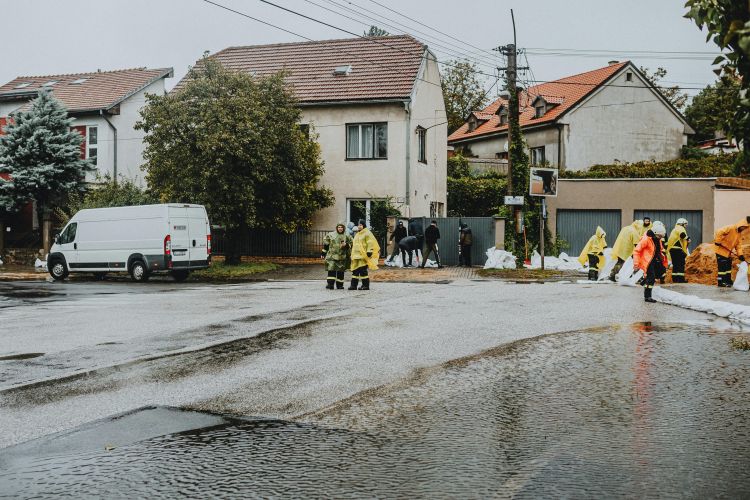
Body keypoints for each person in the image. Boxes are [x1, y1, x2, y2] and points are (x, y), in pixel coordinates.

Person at [633, 226, 668, 303]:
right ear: (655, 233)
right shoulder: (646, 239)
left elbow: (660, 248)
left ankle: (644, 281)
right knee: (651, 277)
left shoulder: (657, 239)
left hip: (655, 259)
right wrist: (636, 263)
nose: (660, 238)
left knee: (662, 271)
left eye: (661, 237)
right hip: (648, 261)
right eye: (659, 236)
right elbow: (636, 251)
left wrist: (662, 254)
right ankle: (647, 296)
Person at [713, 216, 750, 287]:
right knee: (721, 269)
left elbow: (738, 246)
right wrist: (718, 241)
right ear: (741, 225)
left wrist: (740, 255)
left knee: (728, 268)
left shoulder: (739, 235)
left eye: (746, 228)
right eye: (744, 227)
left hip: (728, 253)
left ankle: (728, 281)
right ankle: (720, 282)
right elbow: (719, 231)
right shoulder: (731, 228)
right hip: (720, 251)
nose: (744, 229)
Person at [349, 219, 380, 290]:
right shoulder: (357, 234)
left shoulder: (367, 233)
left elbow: (370, 243)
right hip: (356, 256)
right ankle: (353, 286)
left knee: (363, 271)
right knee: (355, 271)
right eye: (358, 225)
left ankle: (365, 285)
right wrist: (352, 254)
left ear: (363, 225)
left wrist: (369, 251)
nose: (359, 226)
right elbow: (354, 245)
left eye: (361, 225)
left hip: (363, 256)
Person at [321, 222, 352, 289]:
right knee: (331, 269)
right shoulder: (331, 234)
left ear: (343, 228)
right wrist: (323, 253)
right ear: (337, 228)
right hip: (332, 256)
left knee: (340, 271)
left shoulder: (347, 235)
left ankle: (340, 285)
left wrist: (346, 245)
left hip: (342, 256)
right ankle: (330, 284)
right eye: (339, 227)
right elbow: (326, 244)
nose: (340, 228)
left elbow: (351, 244)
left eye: (341, 227)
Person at [667, 218, 690, 283]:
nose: (686, 225)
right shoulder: (680, 228)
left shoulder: (675, 228)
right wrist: (688, 238)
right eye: (685, 224)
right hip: (677, 249)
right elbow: (682, 235)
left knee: (676, 265)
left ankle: (675, 279)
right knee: (680, 264)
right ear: (682, 223)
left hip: (672, 249)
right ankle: (680, 279)